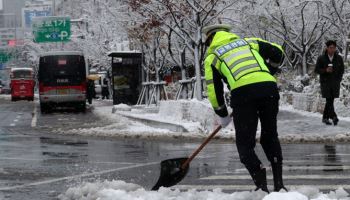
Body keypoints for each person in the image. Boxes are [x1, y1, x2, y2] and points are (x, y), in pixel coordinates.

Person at [202, 24, 286, 193]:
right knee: (270, 137)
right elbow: (278, 52)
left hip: (243, 95)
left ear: (210, 40)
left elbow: (213, 90)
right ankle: (279, 185)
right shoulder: (249, 42)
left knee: (245, 145)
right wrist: (271, 71)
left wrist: (222, 114)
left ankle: (261, 186)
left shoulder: (212, 57)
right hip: (269, 89)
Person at [315, 40, 344, 126]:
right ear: (327, 48)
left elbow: (342, 70)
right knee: (329, 99)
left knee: (330, 100)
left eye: (334, 48)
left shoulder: (339, 58)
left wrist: (339, 79)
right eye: (330, 48)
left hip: (335, 83)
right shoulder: (321, 58)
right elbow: (316, 70)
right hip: (325, 83)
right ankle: (334, 116)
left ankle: (325, 118)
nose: (332, 49)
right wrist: (325, 70)